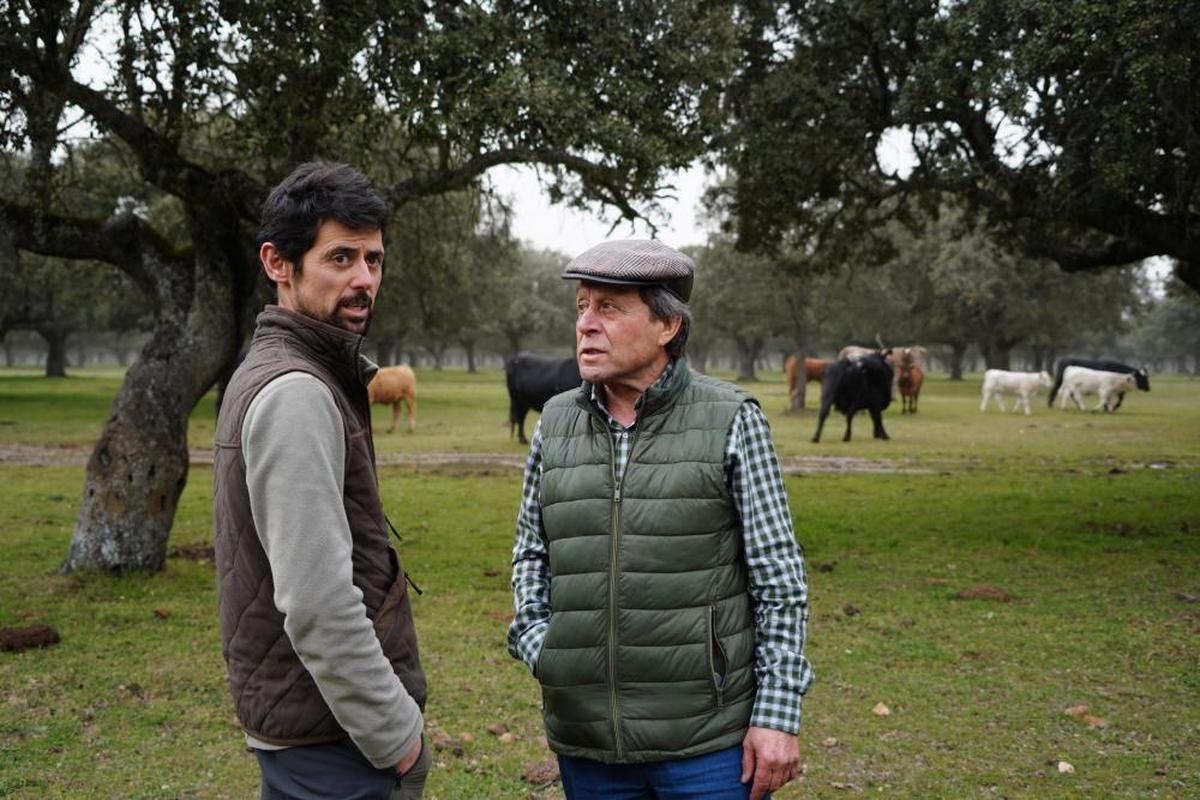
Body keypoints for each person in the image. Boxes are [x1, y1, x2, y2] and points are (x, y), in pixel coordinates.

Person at [507, 239, 813, 800]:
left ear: (667, 326)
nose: (586, 326)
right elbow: (532, 554)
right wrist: (542, 645)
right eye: (581, 307)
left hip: (708, 745)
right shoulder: (554, 422)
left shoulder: (731, 419)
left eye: (609, 308)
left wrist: (777, 713)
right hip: (587, 743)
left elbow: (779, 579)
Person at [213, 162, 429, 799]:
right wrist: (398, 737)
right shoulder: (297, 392)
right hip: (333, 740)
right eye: (340, 258)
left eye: (374, 259)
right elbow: (317, 603)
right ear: (278, 263)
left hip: (311, 724)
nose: (364, 280)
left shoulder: (288, 369)